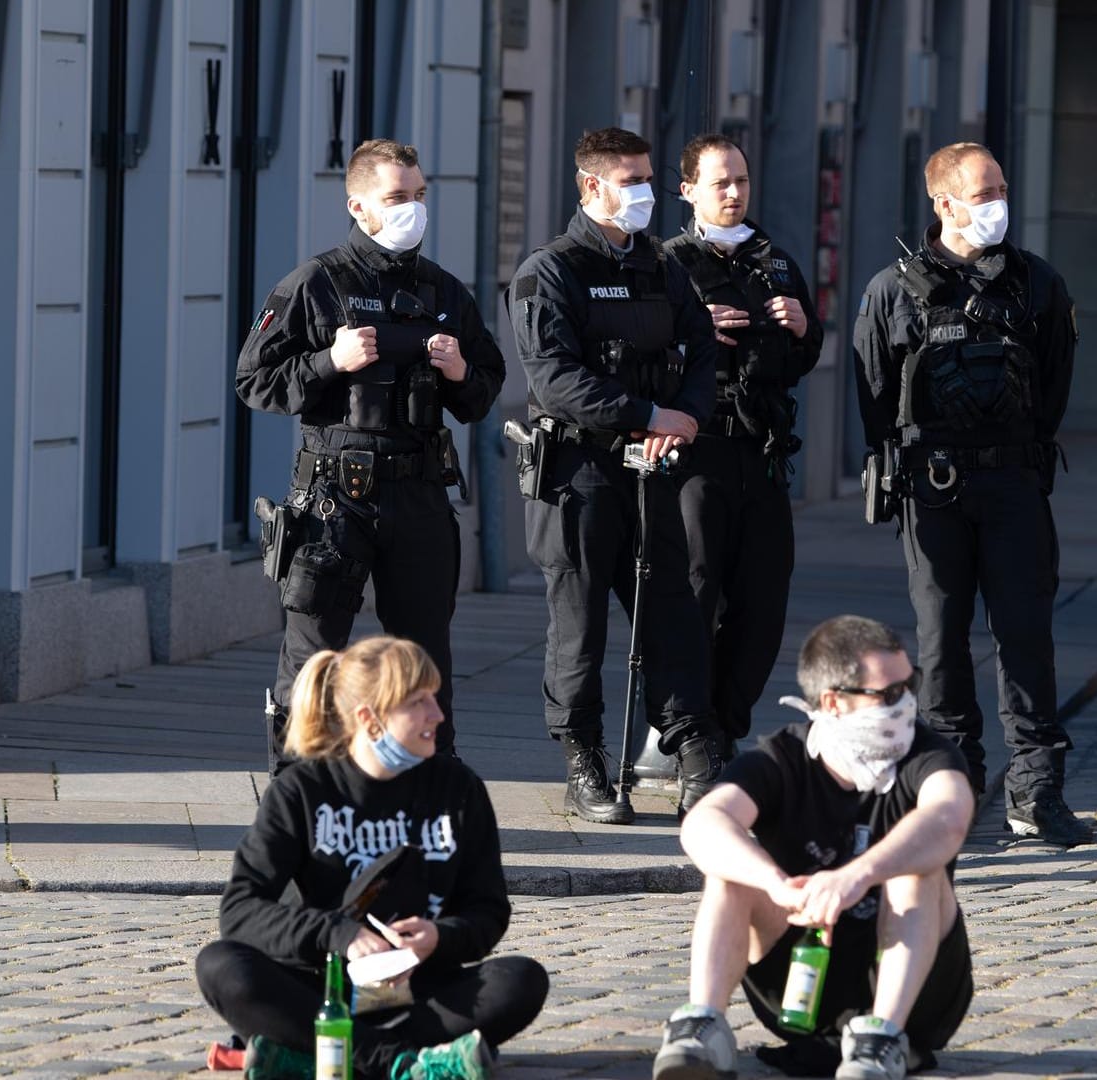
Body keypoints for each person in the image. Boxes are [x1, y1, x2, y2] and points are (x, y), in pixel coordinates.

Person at [236, 138, 505, 772]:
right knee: (313, 653)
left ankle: (427, 781)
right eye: (396, 198)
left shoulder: (445, 291)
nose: (412, 208)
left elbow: (483, 393)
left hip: (417, 493)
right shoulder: (315, 283)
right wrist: (332, 361)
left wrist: (462, 370)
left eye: (418, 196)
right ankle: (295, 786)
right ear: (359, 207)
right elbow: (253, 380)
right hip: (334, 499)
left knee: (423, 654)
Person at [852, 142, 1091, 846]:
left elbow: (1054, 386)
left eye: (1002, 190)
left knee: (1027, 637)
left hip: (1014, 482)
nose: (998, 206)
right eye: (983, 194)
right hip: (934, 489)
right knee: (943, 643)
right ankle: (953, 788)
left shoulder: (1036, 284)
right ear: (944, 203)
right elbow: (873, 403)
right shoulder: (892, 290)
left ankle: (1037, 791)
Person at [195, 636, 548, 1080]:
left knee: (521, 979)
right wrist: (338, 934)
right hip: (320, 995)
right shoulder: (301, 790)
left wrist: (438, 937)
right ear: (370, 718)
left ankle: (316, 1059)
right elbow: (240, 912)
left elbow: (488, 910)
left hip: (419, 994)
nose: (437, 715)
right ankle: (403, 1064)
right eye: (418, 703)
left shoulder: (459, 788)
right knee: (221, 966)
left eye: (434, 699)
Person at [510, 126, 727, 823]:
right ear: (590, 186)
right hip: (579, 471)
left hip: (652, 469)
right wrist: (648, 414)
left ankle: (693, 748)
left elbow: (700, 351)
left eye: (646, 178)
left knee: (671, 614)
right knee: (579, 625)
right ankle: (584, 758)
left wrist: (684, 417)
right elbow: (556, 381)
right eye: (628, 180)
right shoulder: (551, 271)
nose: (642, 193)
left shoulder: (663, 268)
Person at [652, 615, 974, 1080]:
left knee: (914, 867)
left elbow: (947, 819)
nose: (906, 703)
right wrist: (776, 884)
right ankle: (701, 1027)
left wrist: (856, 876)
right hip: (800, 981)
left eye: (911, 684)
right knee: (731, 869)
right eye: (888, 694)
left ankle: (881, 1039)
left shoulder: (930, 754)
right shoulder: (784, 756)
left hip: (916, 995)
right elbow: (704, 823)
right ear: (833, 702)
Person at [663, 134, 823, 751]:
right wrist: (690, 337)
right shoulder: (668, 262)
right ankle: (689, 731)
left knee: (762, 599)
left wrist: (806, 328)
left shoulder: (773, 260)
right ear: (689, 191)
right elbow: (646, 356)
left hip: (762, 451)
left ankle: (726, 726)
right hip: (699, 448)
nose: (734, 194)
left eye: (742, 182)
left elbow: (803, 356)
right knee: (697, 589)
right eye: (720, 183)